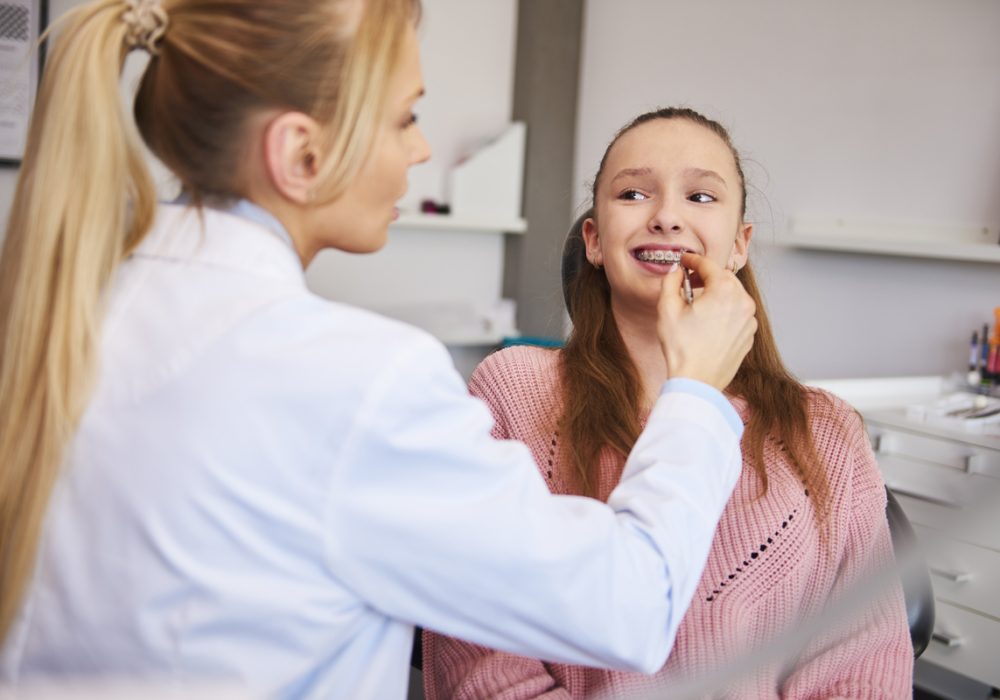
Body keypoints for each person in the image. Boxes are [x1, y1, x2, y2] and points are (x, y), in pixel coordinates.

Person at [0, 2, 760, 698]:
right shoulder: (360, 382)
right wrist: (694, 391)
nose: (423, 149)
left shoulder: (67, 309)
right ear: (301, 155)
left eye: (701, 196)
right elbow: (632, 607)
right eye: (405, 118)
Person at [422, 107, 913, 699]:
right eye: (633, 192)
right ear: (595, 240)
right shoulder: (514, 390)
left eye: (701, 196)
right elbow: (480, 659)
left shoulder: (825, 429)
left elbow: (865, 667)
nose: (667, 217)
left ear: (739, 245)